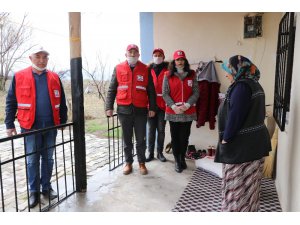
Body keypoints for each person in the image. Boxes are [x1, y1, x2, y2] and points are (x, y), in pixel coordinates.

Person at [5, 46, 68, 208]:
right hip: (29, 126)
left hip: (50, 126)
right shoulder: (19, 76)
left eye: (45, 57)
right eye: (38, 56)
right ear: (30, 58)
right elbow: (11, 101)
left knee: (48, 158)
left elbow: (61, 101)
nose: (41, 60)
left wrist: (63, 120)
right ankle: (33, 191)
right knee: (32, 160)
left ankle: (46, 188)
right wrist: (9, 123)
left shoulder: (54, 77)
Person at [214, 55, 271, 211]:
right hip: (252, 145)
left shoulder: (242, 87)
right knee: (249, 190)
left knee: (238, 192)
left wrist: (226, 138)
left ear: (238, 70)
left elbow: (236, 116)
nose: (226, 74)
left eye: (228, 70)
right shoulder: (254, 84)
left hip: (242, 148)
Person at [105, 44, 156, 175]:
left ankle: (142, 163)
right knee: (127, 139)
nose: (132, 54)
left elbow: (151, 90)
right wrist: (108, 107)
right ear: (126, 54)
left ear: (138, 55)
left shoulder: (145, 69)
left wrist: (152, 107)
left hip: (141, 110)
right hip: (124, 110)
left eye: (135, 52)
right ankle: (128, 163)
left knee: (141, 139)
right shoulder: (118, 68)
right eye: (130, 52)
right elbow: (112, 89)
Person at [162, 50, 199, 173]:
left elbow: (196, 92)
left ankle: (182, 157)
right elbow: (165, 94)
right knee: (175, 137)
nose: (180, 62)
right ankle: (177, 160)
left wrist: (188, 104)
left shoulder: (192, 74)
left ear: (185, 61)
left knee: (184, 137)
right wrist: (174, 107)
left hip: (188, 112)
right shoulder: (167, 75)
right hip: (173, 112)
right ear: (174, 62)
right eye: (178, 60)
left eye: (182, 59)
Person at [146, 48, 168, 163]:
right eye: (155, 55)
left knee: (161, 130)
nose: (157, 57)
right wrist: (149, 105)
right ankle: (150, 153)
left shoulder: (168, 70)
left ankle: (160, 153)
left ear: (163, 57)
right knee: (151, 130)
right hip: (151, 105)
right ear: (152, 57)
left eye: (160, 55)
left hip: (163, 106)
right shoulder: (148, 70)